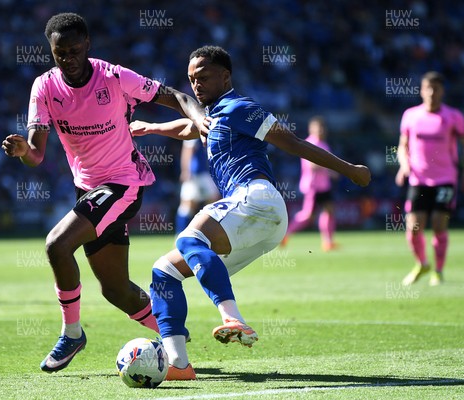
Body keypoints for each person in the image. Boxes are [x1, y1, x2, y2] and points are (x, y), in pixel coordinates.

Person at [130, 45, 370, 380]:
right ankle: (179, 365)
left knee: (190, 238)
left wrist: (349, 170)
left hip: (258, 199)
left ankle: (232, 317)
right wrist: (151, 128)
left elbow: (293, 143)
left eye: (203, 77)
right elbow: (189, 128)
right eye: (190, 80)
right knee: (164, 272)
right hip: (257, 223)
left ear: (225, 76)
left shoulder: (241, 107)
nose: (195, 85)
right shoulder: (210, 114)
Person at [1, 13, 206, 373]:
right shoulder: (44, 87)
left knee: (57, 245)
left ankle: (72, 334)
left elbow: (171, 95)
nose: (68, 59)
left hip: (124, 184)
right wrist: (22, 153)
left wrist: (200, 116)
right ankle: (170, 334)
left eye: (75, 50)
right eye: (60, 53)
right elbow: (36, 154)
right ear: (51, 52)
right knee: (115, 290)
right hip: (90, 191)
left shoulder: (113, 76)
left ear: (88, 45)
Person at [396, 71, 464, 287]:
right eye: (428, 88)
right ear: (422, 91)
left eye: (436, 88)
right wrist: (404, 167)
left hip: (445, 179)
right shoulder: (411, 116)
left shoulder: (453, 117)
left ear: (442, 91)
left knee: (438, 224)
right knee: (413, 228)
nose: (432, 92)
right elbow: (402, 146)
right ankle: (422, 263)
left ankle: (439, 270)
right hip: (418, 179)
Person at [281, 116, 338, 251]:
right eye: (318, 128)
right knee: (308, 215)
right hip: (313, 185)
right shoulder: (308, 143)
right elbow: (312, 166)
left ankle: (328, 242)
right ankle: (286, 234)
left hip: (324, 185)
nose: (321, 130)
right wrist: (330, 171)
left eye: (323, 128)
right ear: (311, 129)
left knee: (329, 211)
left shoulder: (324, 144)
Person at [176, 138, 220, 233]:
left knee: (210, 204)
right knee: (189, 205)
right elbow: (187, 150)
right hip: (197, 174)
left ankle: (201, 233)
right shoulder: (194, 129)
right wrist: (185, 171)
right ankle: (181, 234)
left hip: (204, 174)